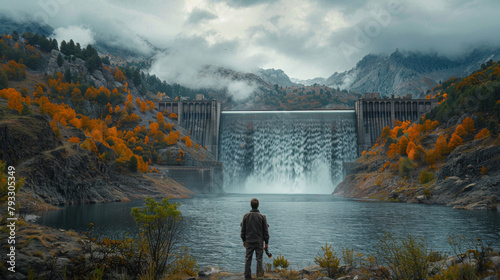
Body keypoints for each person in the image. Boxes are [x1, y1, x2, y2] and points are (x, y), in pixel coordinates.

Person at [241, 198, 269, 279]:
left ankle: (247, 277)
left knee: (248, 258)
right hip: (259, 241)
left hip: (249, 241)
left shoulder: (245, 216)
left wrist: (244, 240)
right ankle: (259, 276)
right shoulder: (262, 217)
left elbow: (243, 230)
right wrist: (266, 243)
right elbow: (265, 231)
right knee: (259, 259)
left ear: (251, 205)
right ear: (258, 205)